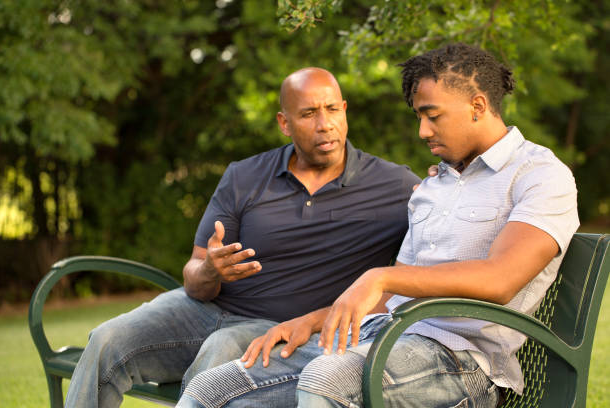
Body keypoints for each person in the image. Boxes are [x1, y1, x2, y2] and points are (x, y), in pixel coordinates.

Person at [176, 43, 580, 408]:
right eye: (420, 117)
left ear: (477, 105)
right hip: (379, 339)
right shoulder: (434, 186)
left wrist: (379, 277)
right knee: (213, 387)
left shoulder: (539, 176)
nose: (423, 131)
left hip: (459, 361)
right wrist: (308, 322)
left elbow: (501, 279)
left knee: (325, 379)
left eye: (432, 116)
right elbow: (391, 298)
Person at [63, 67, 421, 408]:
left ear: (344, 111)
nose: (324, 124)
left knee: (219, 353)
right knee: (107, 340)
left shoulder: (395, 186)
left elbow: (444, 218)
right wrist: (210, 271)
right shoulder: (245, 176)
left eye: (331, 110)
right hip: (201, 310)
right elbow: (194, 276)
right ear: (285, 123)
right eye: (308, 113)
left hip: (282, 327)